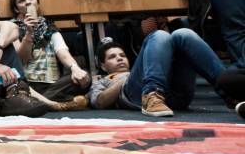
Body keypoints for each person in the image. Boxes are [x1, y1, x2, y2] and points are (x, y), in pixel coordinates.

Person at [88, 31, 227, 116]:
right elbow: (99, 102)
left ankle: (232, 90)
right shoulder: (101, 81)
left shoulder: (147, 66)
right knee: (159, 35)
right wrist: (123, 80)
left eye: (122, 55)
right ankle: (152, 94)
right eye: (112, 57)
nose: (119, 58)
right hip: (136, 94)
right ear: (103, 66)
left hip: (176, 95)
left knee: (183, 34)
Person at [10, 0, 89, 109]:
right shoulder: (11, 27)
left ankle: (41, 102)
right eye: (22, 0)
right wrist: (29, 33)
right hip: (28, 83)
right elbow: (21, 59)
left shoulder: (48, 26)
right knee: (16, 86)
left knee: (84, 76)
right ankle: (56, 103)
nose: (28, 2)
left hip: (53, 85)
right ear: (16, 9)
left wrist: (75, 68)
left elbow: (62, 52)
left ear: (37, 3)